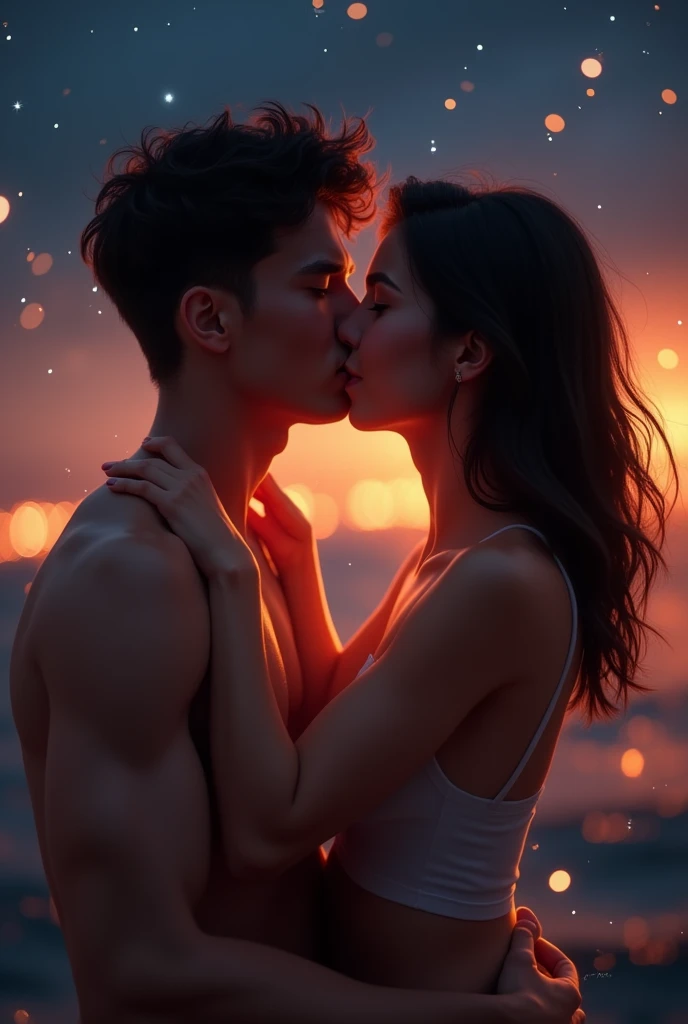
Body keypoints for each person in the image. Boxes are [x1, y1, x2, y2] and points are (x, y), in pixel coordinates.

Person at [9, 104, 584, 1024]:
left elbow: (327, 775)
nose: (355, 321)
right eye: (324, 287)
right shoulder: (133, 578)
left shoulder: (248, 550)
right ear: (210, 320)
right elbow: (134, 975)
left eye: (369, 294)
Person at [101, 173, 678, 994]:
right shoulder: (445, 559)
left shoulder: (501, 584)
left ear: (469, 352)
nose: (349, 331)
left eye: (378, 302)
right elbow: (319, 730)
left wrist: (230, 568)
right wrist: (296, 570)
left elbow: (271, 828)